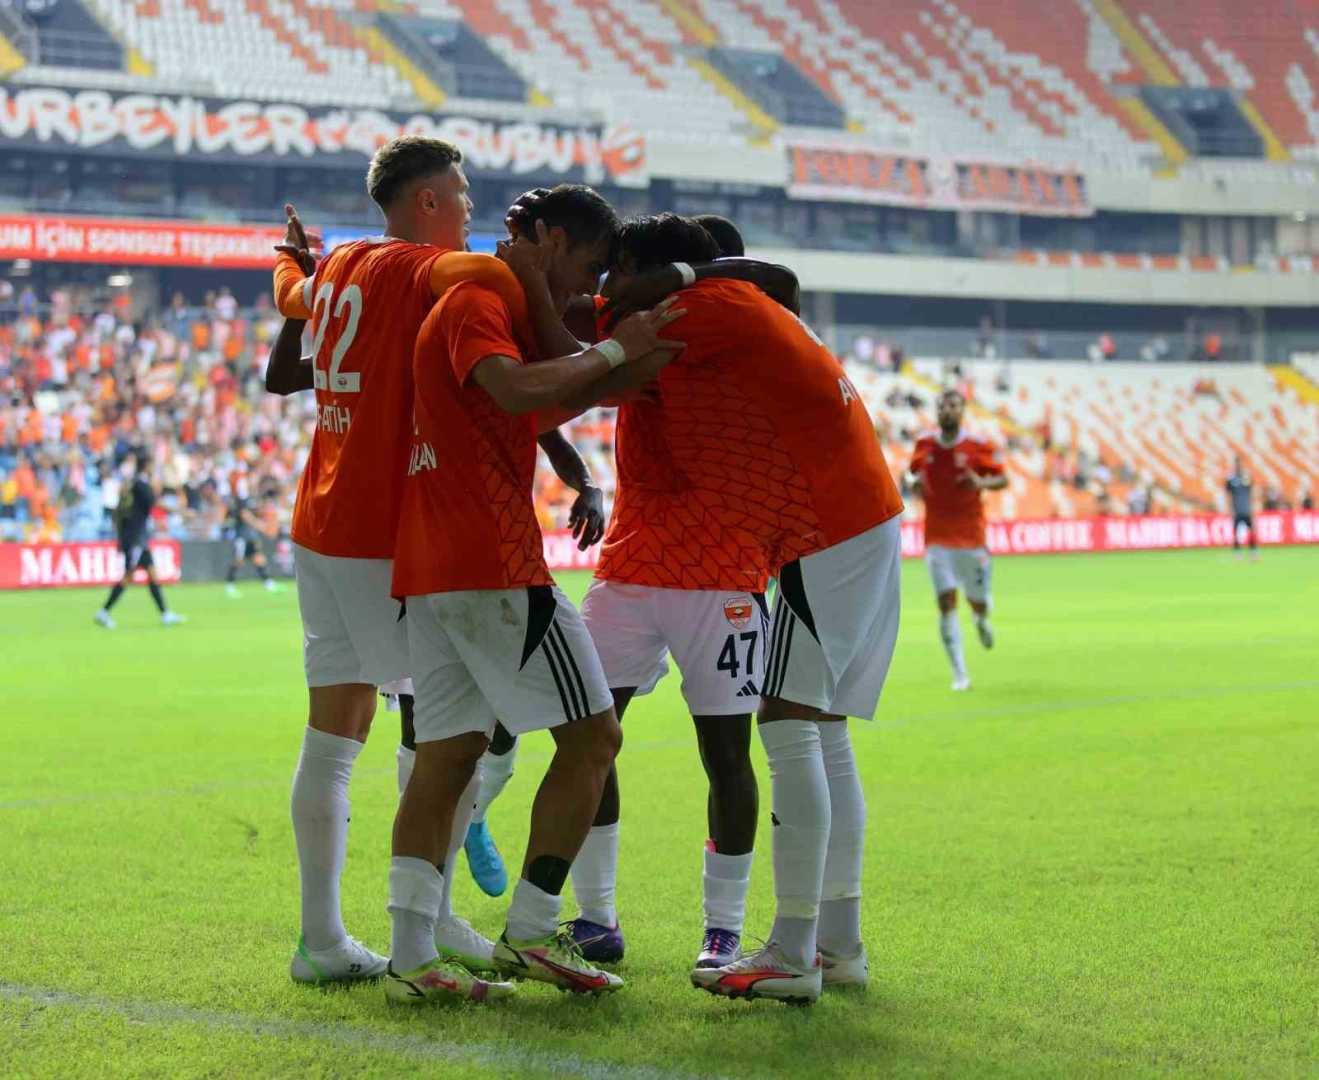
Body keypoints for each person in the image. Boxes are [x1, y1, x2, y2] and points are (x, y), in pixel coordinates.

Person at [382, 184, 687, 1004]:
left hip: (434, 565)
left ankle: (411, 958)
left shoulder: (492, 300)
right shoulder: (478, 297)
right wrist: (617, 350)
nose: (587, 286)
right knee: (593, 739)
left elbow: (560, 390)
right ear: (549, 239)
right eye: (586, 265)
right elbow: (519, 390)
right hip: (493, 562)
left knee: (446, 760)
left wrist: (611, 358)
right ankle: (531, 928)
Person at [598, 213, 906, 1004]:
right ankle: (837, 943)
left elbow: (592, 331)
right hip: (853, 518)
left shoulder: (704, 306)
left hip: (822, 528)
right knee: (822, 731)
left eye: (613, 266)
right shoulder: (740, 302)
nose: (605, 283)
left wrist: (657, 282)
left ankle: (794, 952)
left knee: (788, 723)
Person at [269, 135, 546, 986]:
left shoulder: (341, 266)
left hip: (321, 524)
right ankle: (430, 923)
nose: (470, 208)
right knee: (457, 729)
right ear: (426, 201)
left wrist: (289, 263)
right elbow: (483, 277)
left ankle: (322, 942)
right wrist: (526, 275)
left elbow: (289, 296)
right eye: (460, 194)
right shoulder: (418, 269)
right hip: (387, 532)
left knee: (334, 735)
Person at [265, 314, 605, 904]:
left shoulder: (478, 364)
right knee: (435, 728)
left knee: (476, 730)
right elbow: (283, 377)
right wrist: (297, 304)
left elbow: (548, 433)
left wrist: (588, 485)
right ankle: (434, 908)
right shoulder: (400, 355)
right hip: (411, 549)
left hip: (434, 549)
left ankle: (464, 840)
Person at [548, 216, 795, 974]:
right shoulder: (630, 321)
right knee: (586, 738)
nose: (607, 282)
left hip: (723, 576)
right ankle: (596, 919)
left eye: (619, 267)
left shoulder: (728, 324)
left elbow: (780, 283)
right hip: (630, 570)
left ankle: (722, 931)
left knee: (726, 756)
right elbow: (555, 315)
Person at [908, 390, 1008, 692]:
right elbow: (911, 475)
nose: (946, 411)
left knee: (978, 602)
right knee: (946, 604)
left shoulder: (978, 445)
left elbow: (1003, 479)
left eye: (952, 406)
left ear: (962, 410)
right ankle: (960, 674)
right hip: (937, 541)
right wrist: (915, 484)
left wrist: (981, 482)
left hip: (972, 541)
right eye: (942, 406)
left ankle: (981, 618)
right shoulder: (924, 444)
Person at [94, 455, 185, 630]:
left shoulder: (133, 484)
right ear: (147, 465)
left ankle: (165, 614)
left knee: (152, 573)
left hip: (137, 537)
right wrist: (179, 511)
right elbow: (155, 504)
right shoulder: (142, 484)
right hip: (135, 538)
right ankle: (104, 612)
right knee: (129, 575)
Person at [224, 480, 280, 597]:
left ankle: (269, 584)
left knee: (259, 558)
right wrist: (260, 526)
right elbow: (245, 515)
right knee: (238, 560)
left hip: (251, 536)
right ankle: (229, 586)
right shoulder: (243, 501)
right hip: (242, 537)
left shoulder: (254, 499)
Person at [1225, 457, 1257, 560]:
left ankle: (1253, 552)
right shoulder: (1231, 479)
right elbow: (1228, 495)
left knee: (1251, 531)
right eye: (1237, 464)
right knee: (1236, 532)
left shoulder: (1247, 477)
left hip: (1246, 509)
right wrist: (1230, 509)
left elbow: (1251, 492)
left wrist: (1252, 507)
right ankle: (1237, 552)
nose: (1239, 466)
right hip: (1236, 510)